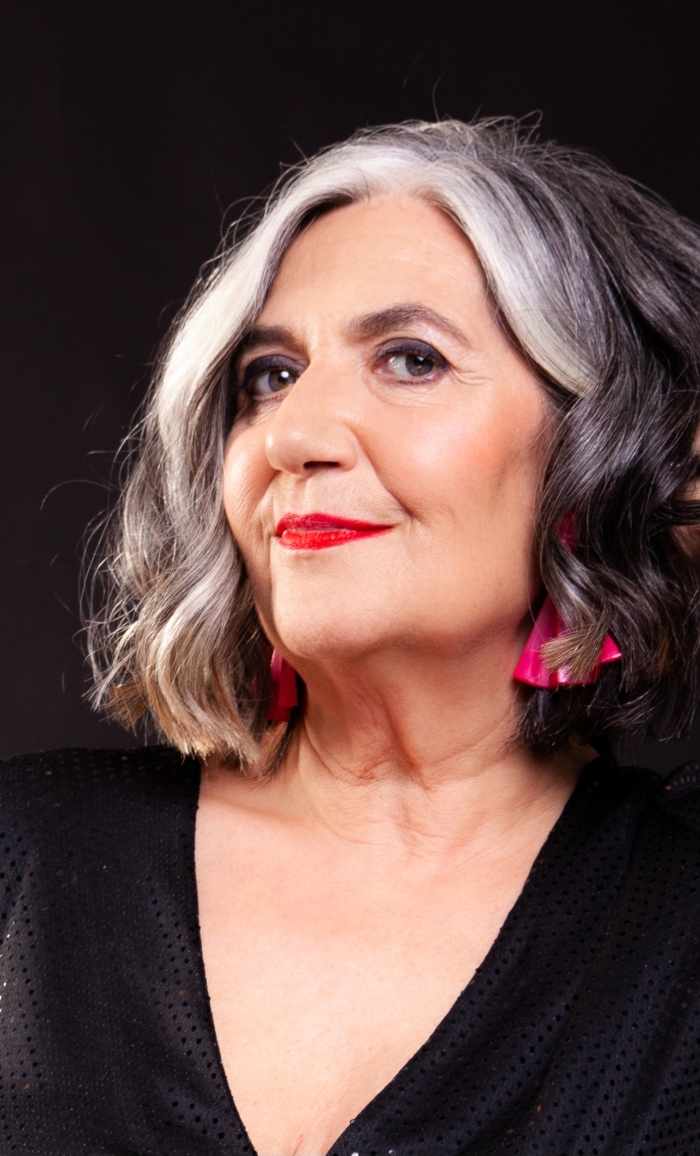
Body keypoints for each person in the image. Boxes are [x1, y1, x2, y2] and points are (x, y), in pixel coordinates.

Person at [3, 118, 700, 1156]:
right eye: (269, 375)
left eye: (411, 360)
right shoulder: (24, 858)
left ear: (606, 448)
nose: (292, 434)